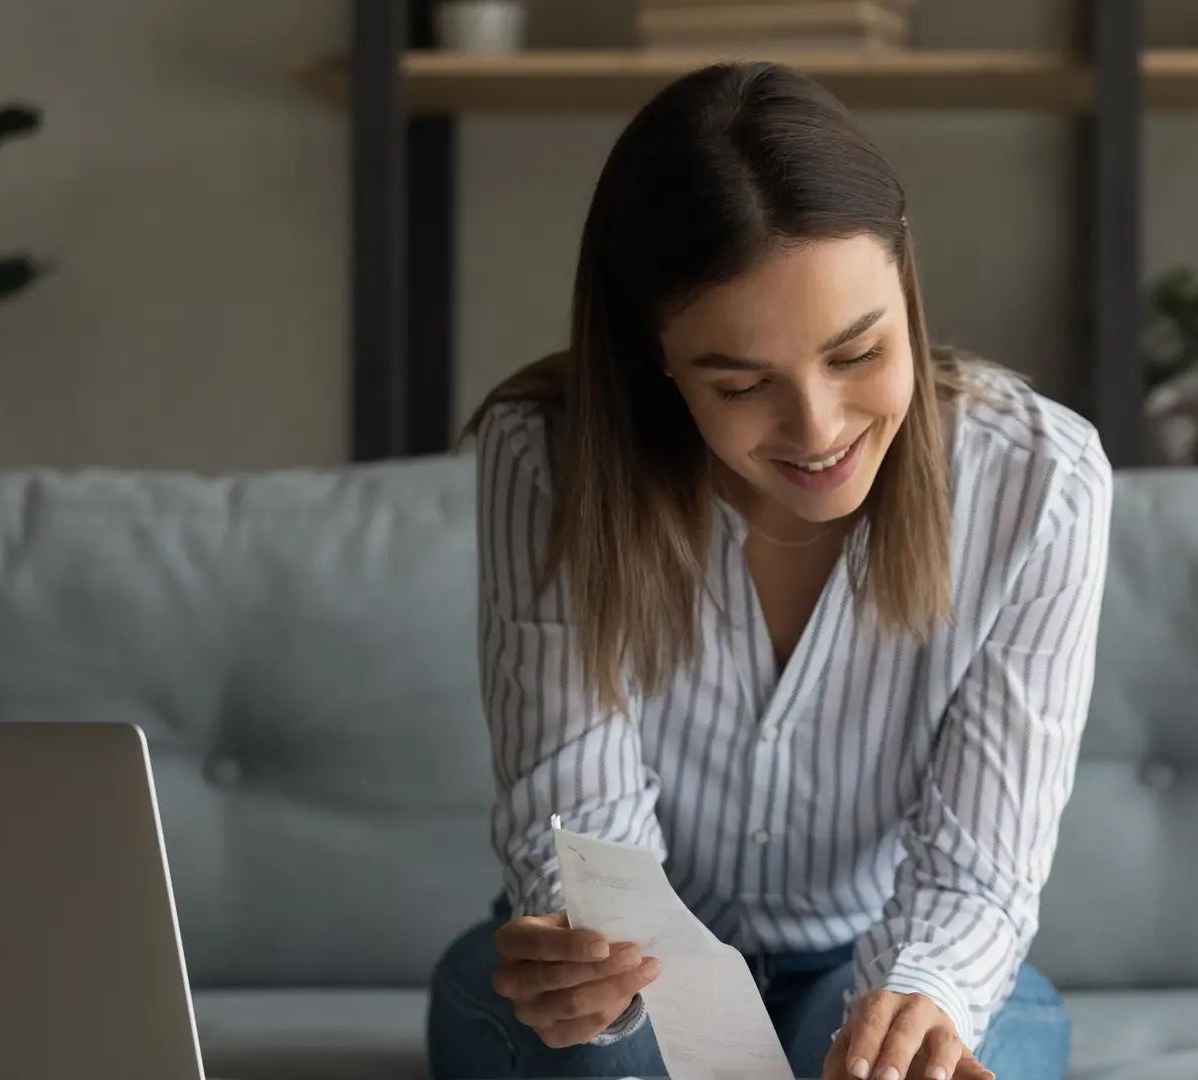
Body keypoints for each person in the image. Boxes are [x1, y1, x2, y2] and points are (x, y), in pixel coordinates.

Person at [426, 59, 1112, 1080]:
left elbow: (976, 876)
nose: (819, 428)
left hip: (880, 949)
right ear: (655, 356)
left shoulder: (1039, 483)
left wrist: (915, 1002)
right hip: (633, 956)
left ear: (907, 288)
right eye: (741, 383)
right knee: (606, 1060)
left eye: (857, 353)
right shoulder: (549, 460)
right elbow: (587, 851)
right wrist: (600, 981)